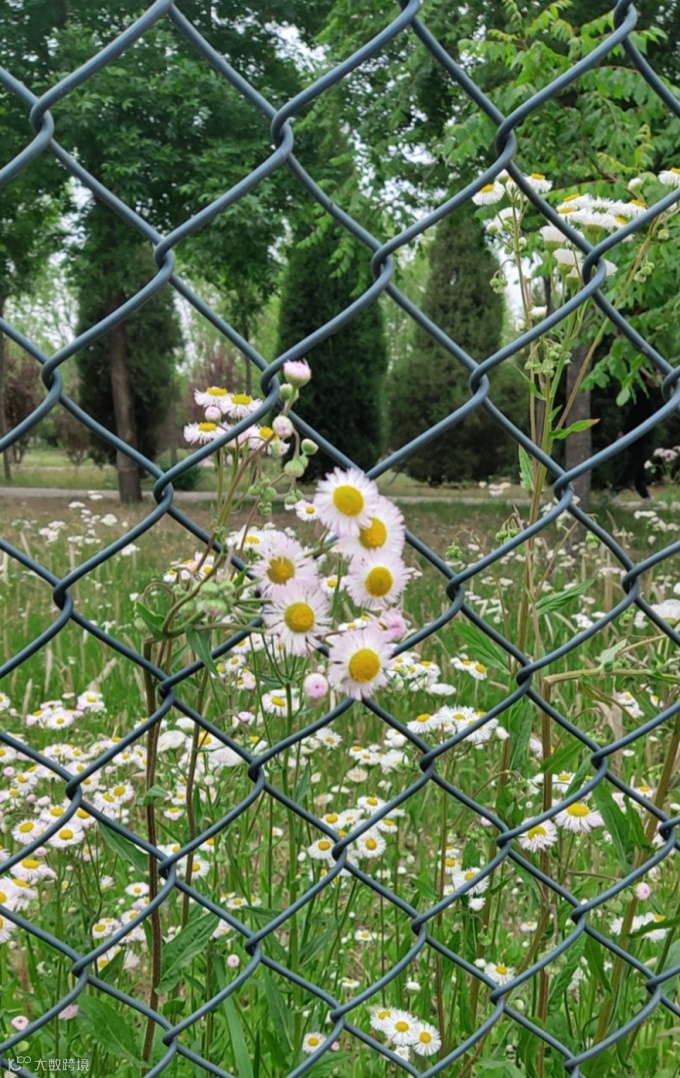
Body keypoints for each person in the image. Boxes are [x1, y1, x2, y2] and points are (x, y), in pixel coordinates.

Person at [613, 368, 663, 500]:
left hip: (645, 436)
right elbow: (632, 415)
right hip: (637, 436)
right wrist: (624, 431)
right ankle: (617, 489)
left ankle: (644, 495)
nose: (660, 378)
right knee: (634, 464)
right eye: (657, 375)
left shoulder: (651, 394)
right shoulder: (642, 394)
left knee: (639, 465)